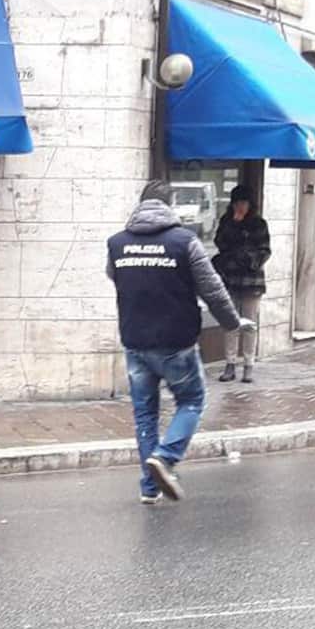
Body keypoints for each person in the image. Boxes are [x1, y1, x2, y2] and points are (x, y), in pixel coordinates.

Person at [106, 180, 256, 505]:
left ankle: (149, 488)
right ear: (168, 206)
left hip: (135, 340)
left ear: (141, 204)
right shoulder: (183, 242)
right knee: (191, 401)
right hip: (176, 343)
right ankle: (166, 456)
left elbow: (114, 276)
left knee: (145, 415)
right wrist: (232, 323)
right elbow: (213, 289)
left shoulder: (117, 243)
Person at [212, 185, 272, 384]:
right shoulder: (227, 222)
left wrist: (248, 260)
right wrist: (233, 226)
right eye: (237, 203)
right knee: (230, 322)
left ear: (250, 204)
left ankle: (248, 364)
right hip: (230, 277)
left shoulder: (258, 224)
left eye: (244, 203)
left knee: (249, 323)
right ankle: (229, 363)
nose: (241, 207)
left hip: (251, 280)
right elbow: (220, 243)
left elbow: (264, 250)